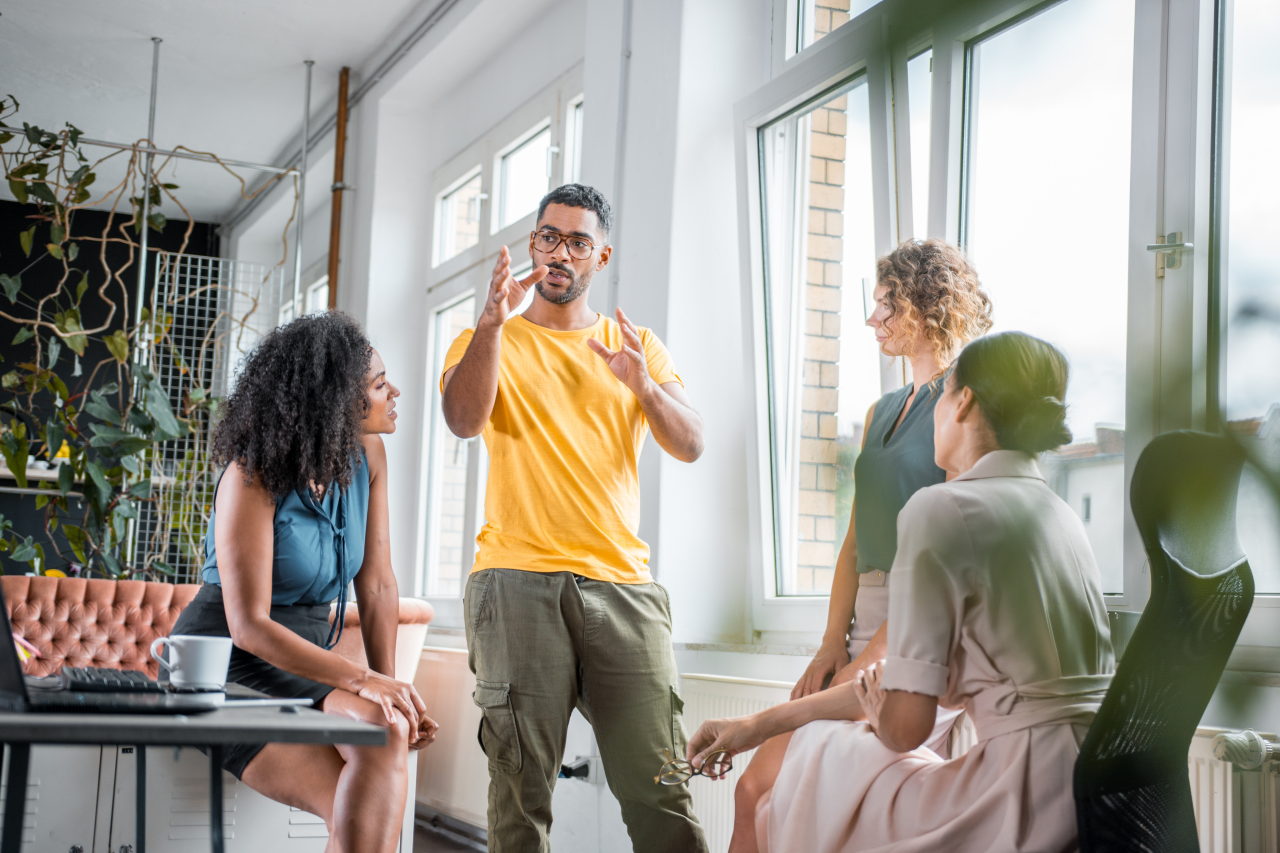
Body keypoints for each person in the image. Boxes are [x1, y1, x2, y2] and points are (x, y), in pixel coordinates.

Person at [688, 331, 1115, 853]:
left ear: (965, 403)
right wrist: (757, 724)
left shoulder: (942, 509)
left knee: (820, 756)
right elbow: (908, 680)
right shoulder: (1059, 514)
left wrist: (880, 708)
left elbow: (906, 728)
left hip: (1019, 798)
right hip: (1099, 788)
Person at [440, 183, 708, 852]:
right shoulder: (483, 336)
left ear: (601, 256)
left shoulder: (636, 343)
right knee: (520, 796)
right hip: (515, 581)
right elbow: (463, 420)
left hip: (623, 589)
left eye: (578, 241)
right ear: (533, 244)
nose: (561, 252)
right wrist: (493, 324)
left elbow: (691, 442)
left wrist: (642, 384)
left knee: (662, 790)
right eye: (549, 237)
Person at [171, 312, 437, 853]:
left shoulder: (368, 457)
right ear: (335, 401)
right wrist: (363, 683)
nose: (395, 392)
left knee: (382, 737)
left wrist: (393, 691)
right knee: (359, 805)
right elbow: (249, 627)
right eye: (379, 384)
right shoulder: (253, 474)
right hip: (224, 664)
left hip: (299, 663)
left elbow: (379, 584)